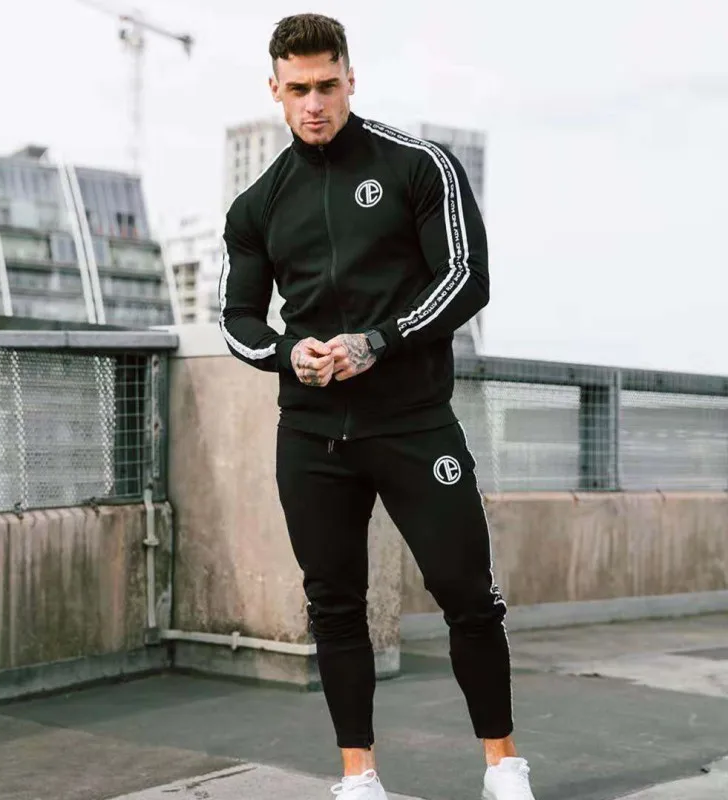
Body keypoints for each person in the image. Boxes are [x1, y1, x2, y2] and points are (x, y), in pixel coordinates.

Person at [219, 12, 537, 800]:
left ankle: (503, 765)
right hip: (313, 434)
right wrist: (288, 352)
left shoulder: (418, 166)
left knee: (468, 595)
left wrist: (378, 342)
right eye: (298, 89)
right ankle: (358, 778)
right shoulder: (258, 204)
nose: (314, 103)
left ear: (351, 80)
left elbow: (466, 278)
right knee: (333, 605)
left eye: (327, 85)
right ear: (275, 90)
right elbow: (238, 318)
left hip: (414, 421)